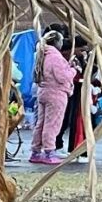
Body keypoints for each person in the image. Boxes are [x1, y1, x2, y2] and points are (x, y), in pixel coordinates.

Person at [30, 28, 76, 163]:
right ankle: (49, 151)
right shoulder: (55, 57)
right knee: (52, 124)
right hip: (56, 93)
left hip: (43, 92)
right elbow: (62, 77)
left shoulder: (42, 55)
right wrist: (73, 70)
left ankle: (35, 151)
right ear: (56, 42)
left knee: (41, 123)